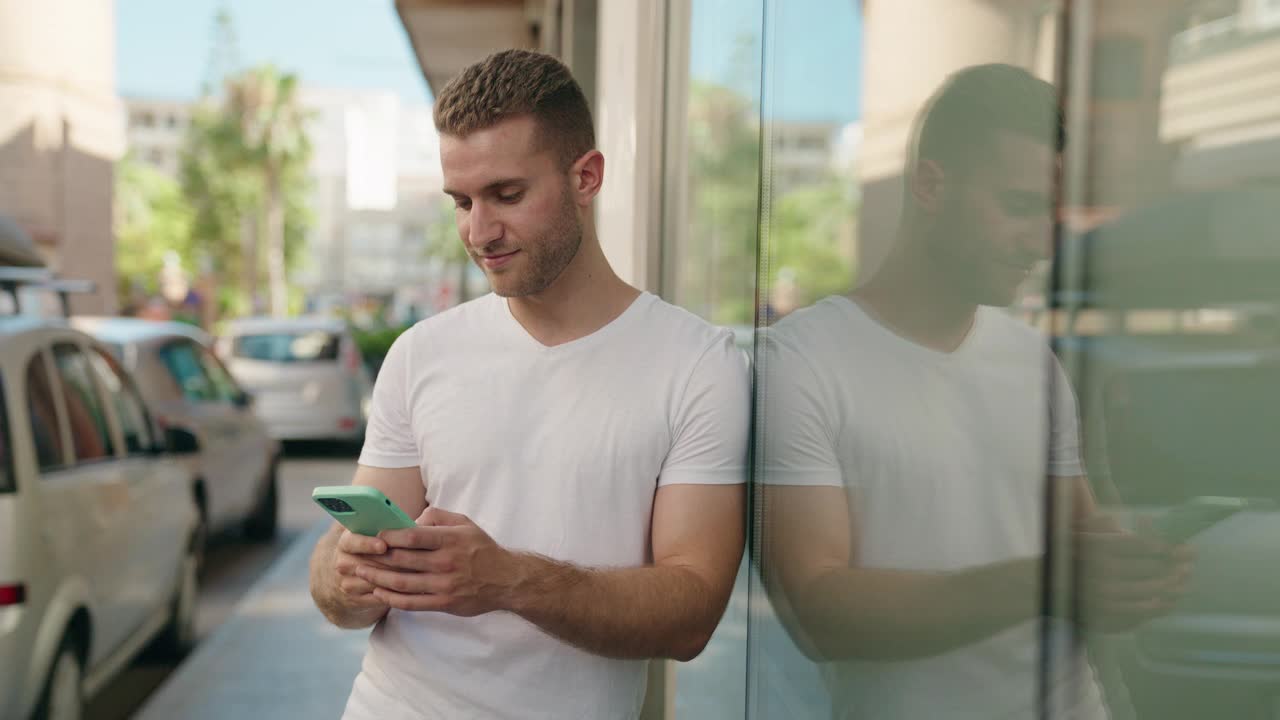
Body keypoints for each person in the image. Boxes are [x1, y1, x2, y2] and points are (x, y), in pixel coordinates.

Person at [309, 49, 751, 720]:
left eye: (507, 196)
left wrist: (509, 580)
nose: (479, 232)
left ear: (586, 176)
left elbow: (691, 614)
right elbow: (340, 587)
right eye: (461, 202)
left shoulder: (698, 364)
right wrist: (344, 578)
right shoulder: (421, 354)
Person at [757, 63, 1192, 719]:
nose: (1040, 243)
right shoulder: (801, 363)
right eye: (1018, 206)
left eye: (1049, 215)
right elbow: (819, 612)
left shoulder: (1032, 359)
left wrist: (1132, 563)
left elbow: (1079, 535)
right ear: (931, 186)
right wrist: (1045, 583)